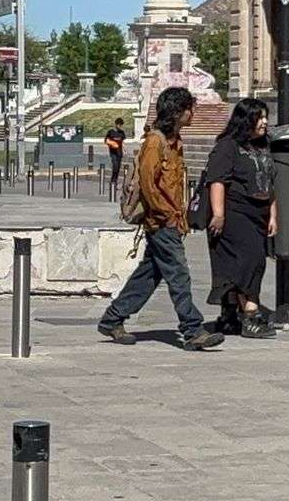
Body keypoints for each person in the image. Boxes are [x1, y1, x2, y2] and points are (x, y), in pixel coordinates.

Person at [97, 87, 223, 351]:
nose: (193, 113)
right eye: (189, 108)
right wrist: (164, 215)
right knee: (179, 274)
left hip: (171, 219)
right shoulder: (155, 142)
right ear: (177, 112)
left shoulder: (175, 141)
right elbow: (148, 183)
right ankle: (192, 329)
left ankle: (113, 318)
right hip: (161, 221)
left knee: (148, 275)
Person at [203, 98, 278, 339]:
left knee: (241, 264)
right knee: (251, 262)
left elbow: (270, 182)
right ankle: (250, 315)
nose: (264, 122)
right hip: (235, 213)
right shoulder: (228, 146)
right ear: (246, 120)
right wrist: (218, 214)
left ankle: (229, 315)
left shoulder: (265, 146)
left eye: (265, 117)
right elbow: (217, 180)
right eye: (259, 117)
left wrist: (273, 215)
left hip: (259, 213)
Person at [104, 117, 127, 185]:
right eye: (119, 125)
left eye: (121, 125)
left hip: (119, 152)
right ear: (116, 124)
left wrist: (125, 150)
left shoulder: (122, 132)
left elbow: (123, 142)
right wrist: (111, 143)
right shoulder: (110, 132)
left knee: (118, 168)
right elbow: (106, 140)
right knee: (115, 166)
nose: (120, 126)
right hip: (113, 152)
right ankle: (113, 180)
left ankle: (115, 180)